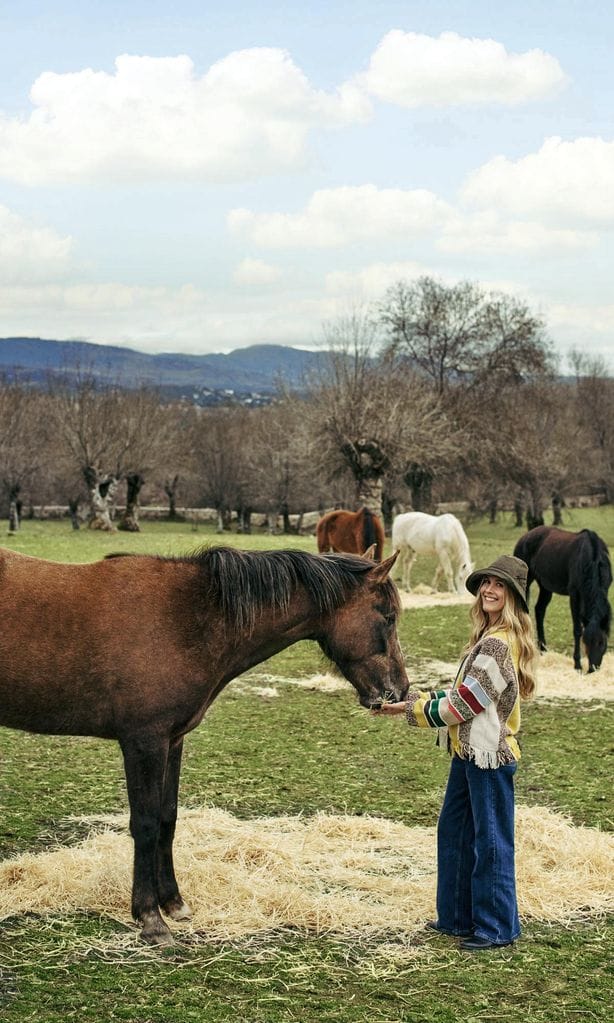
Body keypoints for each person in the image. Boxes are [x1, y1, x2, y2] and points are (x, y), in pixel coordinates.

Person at [374, 554, 537, 951]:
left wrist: (411, 709)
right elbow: (461, 696)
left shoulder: (498, 646)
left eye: (499, 585)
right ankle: (456, 918)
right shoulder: (490, 639)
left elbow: (463, 705)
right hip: (468, 753)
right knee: (455, 832)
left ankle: (496, 927)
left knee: (491, 841)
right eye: (485, 583)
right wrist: (413, 699)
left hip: (488, 758)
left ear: (513, 596)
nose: (489, 590)